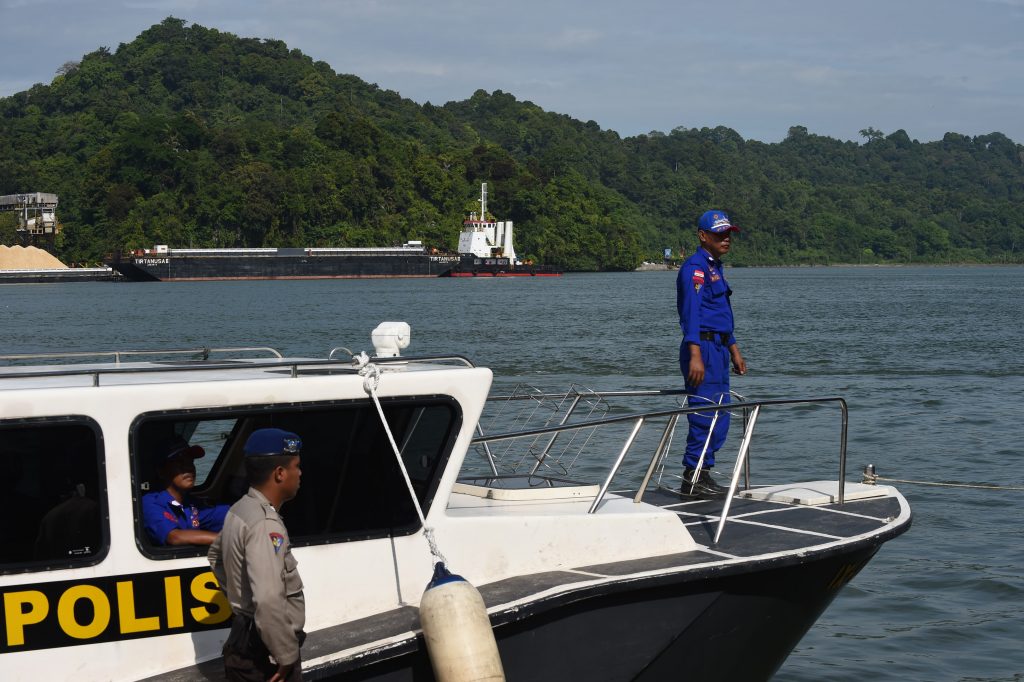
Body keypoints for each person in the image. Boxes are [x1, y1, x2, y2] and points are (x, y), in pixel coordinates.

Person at [209, 428, 305, 682]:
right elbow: (268, 597)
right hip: (263, 655)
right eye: (296, 466)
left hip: (242, 639)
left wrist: (240, 600)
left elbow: (215, 557)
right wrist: (285, 656)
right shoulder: (265, 524)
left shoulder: (239, 509)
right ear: (280, 473)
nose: (300, 473)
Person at [676, 209, 747, 496]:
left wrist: (734, 350)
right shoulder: (694, 268)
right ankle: (692, 476)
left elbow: (721, 314)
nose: (726, 239)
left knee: (721, 415)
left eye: (728, 234)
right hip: (701, 348)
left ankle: (703, 473)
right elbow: (690, 314)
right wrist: (695, 353)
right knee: (704, 413)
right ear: (703, 236)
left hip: (718, 347)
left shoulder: (715, 268)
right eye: (719, 234)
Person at [142, 436, 229, 546]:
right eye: (179, 462)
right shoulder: (150, 503)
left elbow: (229, 516)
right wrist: (234, 541)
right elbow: (175, 537)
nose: (188, 467)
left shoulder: (190, 503)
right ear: (161, 471)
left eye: (190, 461)